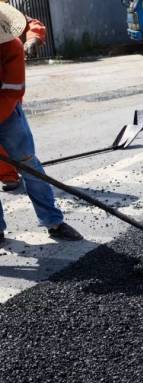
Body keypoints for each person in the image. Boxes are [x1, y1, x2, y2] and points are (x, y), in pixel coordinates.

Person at [0, 3, 83, 243]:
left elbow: (11, 92)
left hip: (7, 114)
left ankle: (53, 222)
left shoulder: (11, 47)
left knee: (29, 166)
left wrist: (33, 39)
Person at [0, 0, 47, 192]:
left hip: (8, 84)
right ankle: (9, 173)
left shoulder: (6, 11)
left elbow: (31, 24)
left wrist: (33, 39)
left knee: (11, 128)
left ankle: (14, 171)